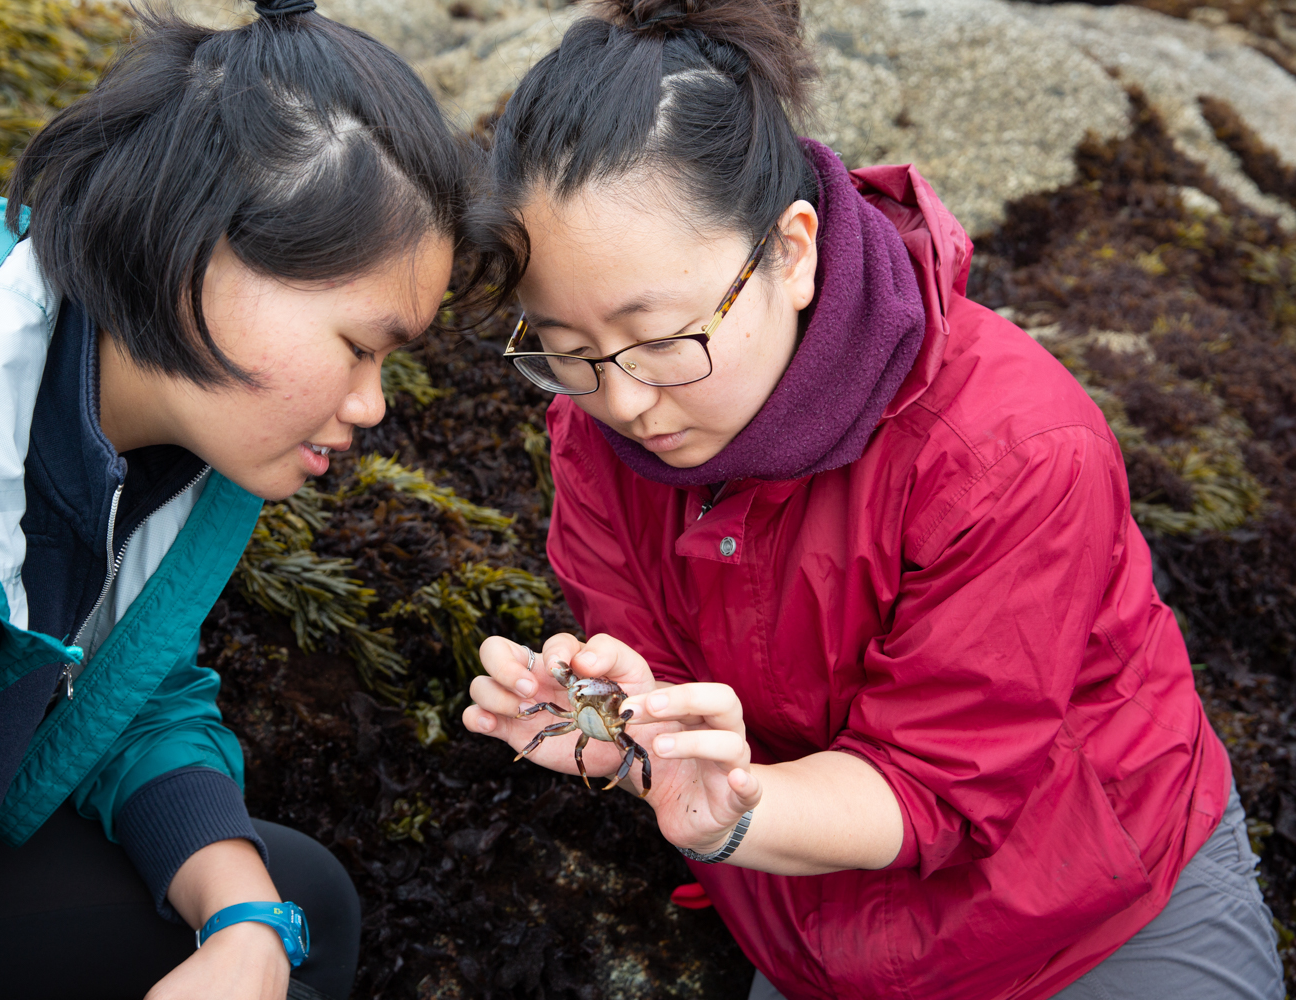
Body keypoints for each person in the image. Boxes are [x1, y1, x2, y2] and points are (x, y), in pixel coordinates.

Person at [461, 1, 1285, 997]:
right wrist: (614, 719)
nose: (626, 400)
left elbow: (938, 784)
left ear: (792, 250)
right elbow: (667, 703)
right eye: (567, 348)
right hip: (808, 922)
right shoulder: (595, 430)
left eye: (665, 335)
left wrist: (731, 814)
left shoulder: (1012, 448)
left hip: (1097, 917)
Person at [0, 1, 494, 997]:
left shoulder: (137, 413)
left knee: (302, 908)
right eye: (358, 345)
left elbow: (118, 680)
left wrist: (244, 916)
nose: (372, 404)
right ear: (200, 256)